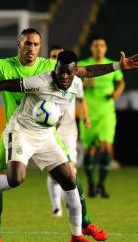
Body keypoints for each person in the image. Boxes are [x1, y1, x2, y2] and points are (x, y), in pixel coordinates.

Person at [0, 28, 138, 242]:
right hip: (19, 130)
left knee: (70, 178)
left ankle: (80, 230)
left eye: (36, 44)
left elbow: (88, 70)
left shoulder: (59, 70)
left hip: (46, 133)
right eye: (28, 43)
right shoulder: (31, 76)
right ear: (19, 43)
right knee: (11, 179)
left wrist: (117, 66)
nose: (32, 48)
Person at [78, 36, 126, 199]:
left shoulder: (112, 65)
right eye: (96, 45)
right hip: (88, 112)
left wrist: (117, 93)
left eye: (102, 45)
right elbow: (71, 83)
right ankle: (91, 183)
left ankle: (102, 184)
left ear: (105, 48)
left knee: (107, 148)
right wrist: (84, 84)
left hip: (106, 112)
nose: (99, 48)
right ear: (91, 48)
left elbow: (121, 82)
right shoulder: (84, 65)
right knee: (89, 149)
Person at [46, 45, 90, 217]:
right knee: (54, 174)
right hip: (49, 132)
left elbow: (81, 100)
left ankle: (76, 213)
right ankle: (56, 207)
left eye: (58, 56)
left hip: (69, 130)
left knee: (71, 171)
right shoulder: (44, 80)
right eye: (53, 56)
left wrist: (85, 116)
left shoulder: (75, 81)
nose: (55, 58)